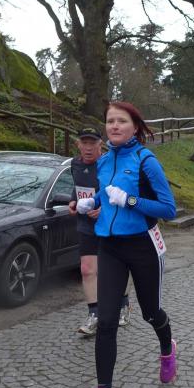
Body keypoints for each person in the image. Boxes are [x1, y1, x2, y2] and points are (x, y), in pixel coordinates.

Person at [75, 101, 177, 388]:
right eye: (110, 121)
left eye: (121, 121)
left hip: (143, 246)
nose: (115, 126)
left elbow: (169, 209)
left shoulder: (146, 161)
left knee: (150, 312)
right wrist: (91, 202)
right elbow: (106, 195)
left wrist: (130, 200)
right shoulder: (104, 161)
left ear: (134, 127)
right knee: (106, 320)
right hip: (110, 247)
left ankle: (168, 348)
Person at [68, 128, 131, 337]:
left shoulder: (109, 164)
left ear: (100, 145)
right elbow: (77, 188)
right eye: (84, 143)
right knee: (87, 270)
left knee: (114, 269)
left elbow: (121, 192)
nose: (88, 148)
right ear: (78, 144)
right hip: (86, 225)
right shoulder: (75, 164)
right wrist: (73, 202)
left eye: (92, 144)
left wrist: (104, 209)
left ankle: (123, 304)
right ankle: (94, 315)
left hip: (110, 223)